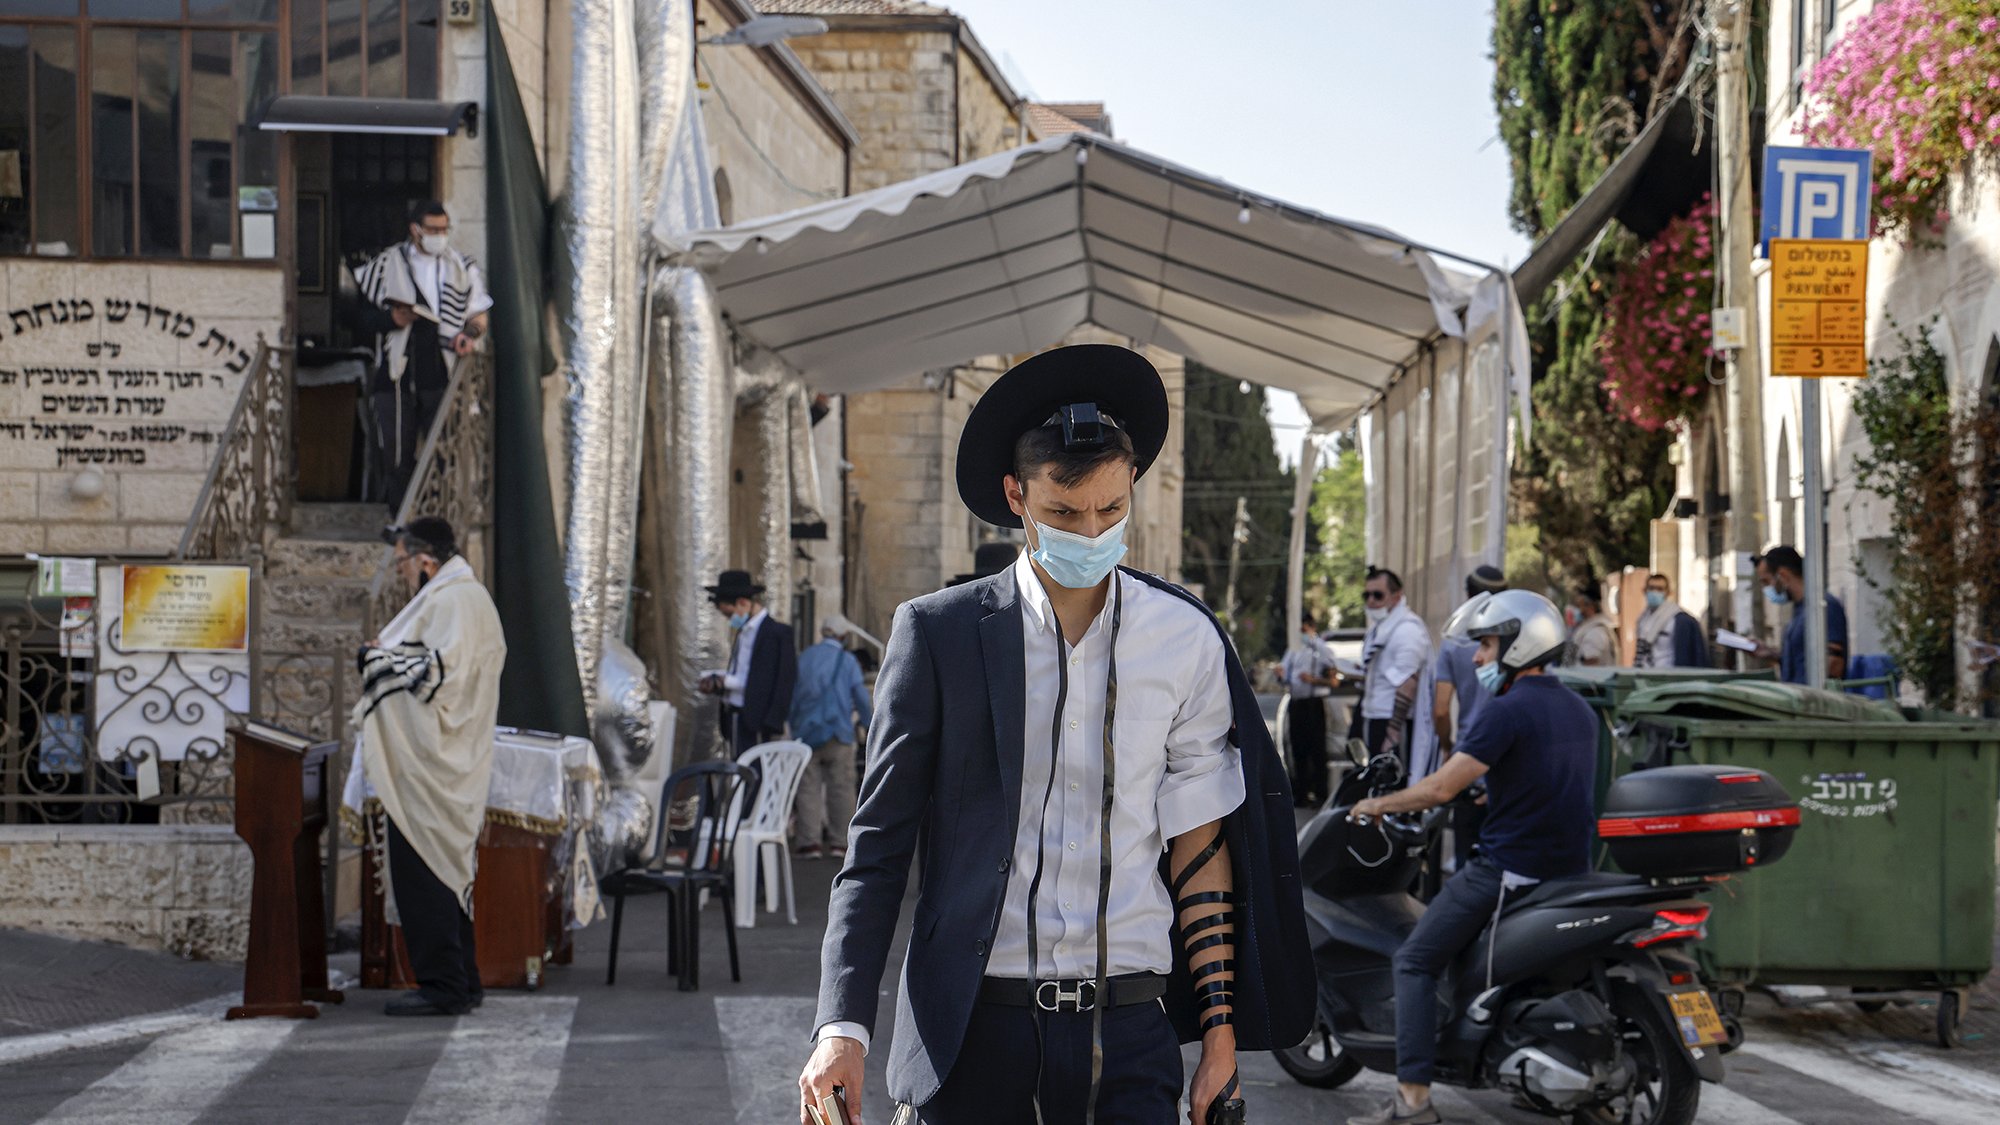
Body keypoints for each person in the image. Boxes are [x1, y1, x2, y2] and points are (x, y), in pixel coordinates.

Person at [798, 344, 1310, 1125]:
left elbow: (1201, 850)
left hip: (1131, 1030)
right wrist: (842, 1026)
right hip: (973, 1030)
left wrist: (1218, 1039)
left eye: (1111, 508)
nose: (1092, 530)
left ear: (1131, 484)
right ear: (1016, 496)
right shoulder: (937, 635)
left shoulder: (1186, 639)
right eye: (1064, 514)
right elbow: (876, 852)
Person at [1344, 591, 1596, 1125]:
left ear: (1519, 644)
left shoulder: (1504, 711)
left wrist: (1376, 804)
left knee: (1413, 961)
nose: (1479, 658)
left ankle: (1412, 1100)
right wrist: (1488, 791)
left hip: (1509, 872)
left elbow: (1439, 788)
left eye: (1486, 645)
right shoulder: (1580, 709)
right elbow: (1544, 778)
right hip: (1570, 873)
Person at [355, 517, 506, 1017]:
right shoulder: (464, 598)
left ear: (425, 562)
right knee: (446, 874)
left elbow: (437, 677)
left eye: (401, 563)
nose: (399, 574)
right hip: (447, 759)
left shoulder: (452, 601)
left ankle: (443, 986)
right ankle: (462, 981)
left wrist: (374, 661)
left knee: (427, 875)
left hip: (434, 765)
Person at [354, 201, 492, 506]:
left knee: (443, 449)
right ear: (415, 230)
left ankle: (437, 515)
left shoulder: (462, 267)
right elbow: (358, 318)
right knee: (397, 452)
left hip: (441, 370)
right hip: (396, 371)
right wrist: (392, 320)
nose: (439, 235)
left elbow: (479, 315)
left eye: (444, 229)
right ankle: (400, 521)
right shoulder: (387, 264)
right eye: (433, 230)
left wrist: (468, 336)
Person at [790, 615, 873, 860]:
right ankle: (840, 843)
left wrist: (794, 726)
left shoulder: (804, 658)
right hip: (839, 732)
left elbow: (793, 697)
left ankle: (809, 842)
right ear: (843, 636)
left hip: (806, 733)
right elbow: (859, 696)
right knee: (841, 788)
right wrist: (869, 724)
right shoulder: (847, 661)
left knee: (807, 788)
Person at [700, 570, 797, 757]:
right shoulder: (743, 633)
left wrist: (772, 722)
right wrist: (718, 684)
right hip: (735, 715)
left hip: (758, 721)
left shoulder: (777, 634)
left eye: (730, 614)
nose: (730, 620)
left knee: (755, 773)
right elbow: (742, 673)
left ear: (743, 603)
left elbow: (784, 680)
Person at [1354, 566, 1431, 760]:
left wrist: (1393, 732)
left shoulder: (1407, 630)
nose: (1371, 601)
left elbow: (1408, 682)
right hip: (1373, 714)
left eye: (1378, 595)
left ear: (1397, 596)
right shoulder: (1380, 629)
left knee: (1393, 782)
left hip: (1394, 721)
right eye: (1367, 595)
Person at [1752, 545, 1848, 684]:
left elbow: (1834, 663)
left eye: (1767, 581)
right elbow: (1801, 659)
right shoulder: (1800, 610)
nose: (1767, 589)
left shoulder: (1823, 606)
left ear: (1783, 575)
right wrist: (1771, 654)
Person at [1281, 612, 1335, 806]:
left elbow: (1333, 679)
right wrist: (1281, 674)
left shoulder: (1321, 649)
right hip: (1297, 701)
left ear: (1311, 627)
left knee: (1317, 749)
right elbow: (1286, 673)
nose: (1301, 633)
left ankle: (1321, 793)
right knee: (1298, 749)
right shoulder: (1294, 649)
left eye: (1304, 629)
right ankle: (1301, 792)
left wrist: (1314, 680)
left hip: (1313, 702)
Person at [1632, 572, 1709, 668]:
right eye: (1651, 588)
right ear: (1645, 590)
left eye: (1660, 589)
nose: (1655, 592)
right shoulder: (1643, 619)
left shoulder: (1681, 621)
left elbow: (1697, 654)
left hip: (1669, 674)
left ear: (1667, 592)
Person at [1567, 584, 1619, 667]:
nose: (1577, 610)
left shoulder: (1595, 632)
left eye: (1579, 605)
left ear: (1590, 606)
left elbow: (1590, 664)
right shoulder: (1590, 629)